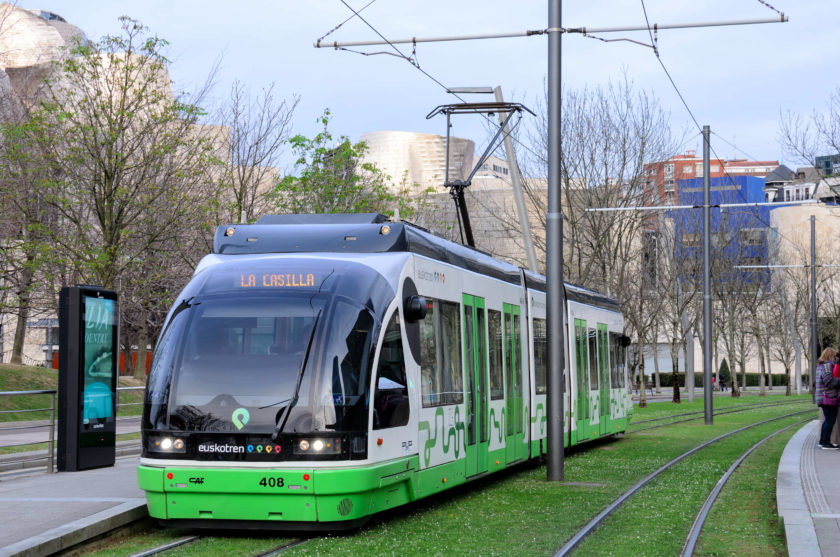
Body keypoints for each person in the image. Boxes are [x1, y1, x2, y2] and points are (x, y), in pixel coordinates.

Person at [815, 347, 840, 449]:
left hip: (823, 397)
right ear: (831, 356)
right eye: (835, 356)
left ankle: (823, 441)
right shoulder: (827, 366)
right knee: (829, 420)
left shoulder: (820, 366)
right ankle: (825, 442)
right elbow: (828, 381)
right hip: (828, 398)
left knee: (828, 420)